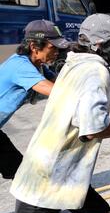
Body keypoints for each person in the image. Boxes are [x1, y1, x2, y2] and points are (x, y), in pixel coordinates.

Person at [3, 14, 110, 213]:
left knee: (97, 212)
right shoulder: (94, 71)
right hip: (48, 176)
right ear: (104, 45)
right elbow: (93, 129)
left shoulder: (74, 63)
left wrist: (109, 94)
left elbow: (74, 95)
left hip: (66, 173)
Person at [0, 20, 69, 180]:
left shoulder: (37, 66)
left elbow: (61, 82)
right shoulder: (20, 66)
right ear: (34, 46)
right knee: (22, 174)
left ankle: (33, 203)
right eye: (53, 47)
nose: (57, 52)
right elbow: (56, 91)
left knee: (19, 173)